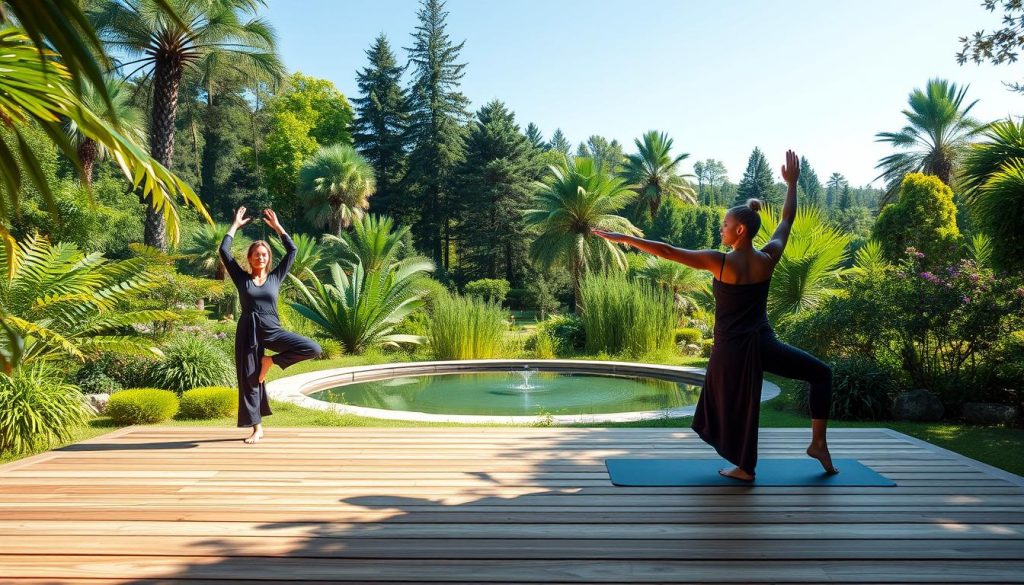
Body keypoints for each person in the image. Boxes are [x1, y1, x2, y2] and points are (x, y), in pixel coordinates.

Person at [592, 150, 836, 481]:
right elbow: (786, 220)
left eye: (725, 224)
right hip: (763, 342)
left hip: (732, 349)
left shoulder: (720, 262)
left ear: (739, 231)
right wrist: (791, 184)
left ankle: (745, 467)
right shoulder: (768, 258)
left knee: (737, 405)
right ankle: (817, 443)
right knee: (820, 374)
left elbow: (666, 251)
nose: (721, 229)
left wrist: (623, 238)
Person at [219, 207, 322, 444]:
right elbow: (224, 251)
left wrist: (278, 228)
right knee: (249, 380)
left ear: (268, 258)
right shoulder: (241, 278)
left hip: (273, 330)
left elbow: (292, 250)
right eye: (256, 254)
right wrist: (234, 225)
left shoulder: (276, 277)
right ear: (250, 258)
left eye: (264, 254)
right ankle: (257, 428)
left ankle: (270, 361)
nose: (260, 257)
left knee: (312, 348)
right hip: (248, 331)